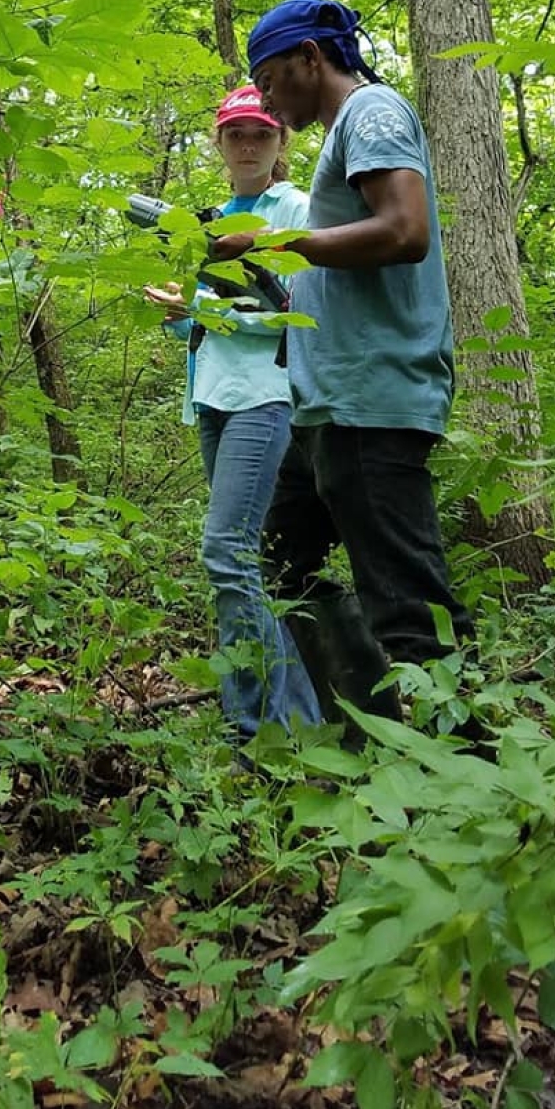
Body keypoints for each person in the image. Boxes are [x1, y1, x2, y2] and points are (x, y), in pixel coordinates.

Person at [211, 0, 475, 729]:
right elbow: (334, 269)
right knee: (280, 558)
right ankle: (366, 730)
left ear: (310, 59)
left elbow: (405, 230)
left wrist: (270, 243)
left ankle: (464, 767)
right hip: (327, 404)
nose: (263, 98)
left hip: (375, 395)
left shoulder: (373, 114)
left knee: (408, 599)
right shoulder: (341, 137)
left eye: (268, 79)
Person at [144, 84, 321, 743]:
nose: (248, 145)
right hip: (215, 399)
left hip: (265, 398)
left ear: (281, 143)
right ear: (219, 143)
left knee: (227, 552)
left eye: (261, 134)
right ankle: (252, 715)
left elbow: (292, 319)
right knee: (240, 559)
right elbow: (205, 326)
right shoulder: (210, 217)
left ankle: (278, 723)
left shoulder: (295, 209)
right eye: (236, 134)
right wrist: (179, 315)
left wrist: (204, 313)